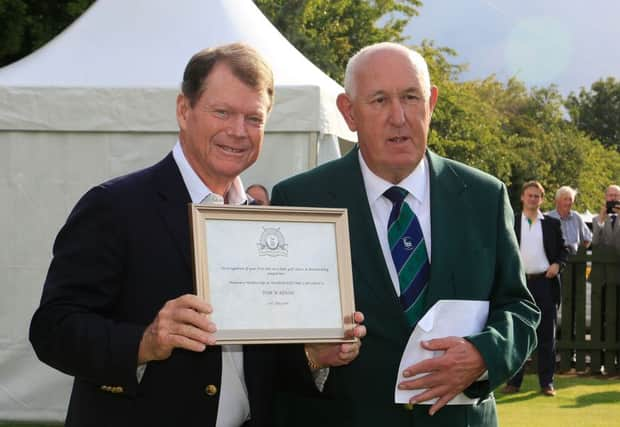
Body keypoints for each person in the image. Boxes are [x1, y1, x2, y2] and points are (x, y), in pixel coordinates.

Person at [29, 43, 364, 427]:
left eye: (254, 118)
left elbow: (253, 365)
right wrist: (145, 342)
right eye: (222, 112)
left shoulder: (261, 223)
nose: (238, 132)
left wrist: (313, 355)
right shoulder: (114, 206)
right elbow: (53, 329)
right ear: (184, 111)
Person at [271, 42, 539, 427]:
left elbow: (519, 307)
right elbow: (272, 338)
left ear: (430, 102)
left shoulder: (484, 196)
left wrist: (484, 356)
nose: (398, 117)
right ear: (348, 112)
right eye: (379, 100)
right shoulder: (299, 200)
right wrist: (311, 355)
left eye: (411, 97)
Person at [503, 181, 568, 397]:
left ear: (541, 199)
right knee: (517, 333)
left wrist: (557, 264)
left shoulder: (551, 224)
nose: (533, 199)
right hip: (518, 283)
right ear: (522, 197)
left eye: (537, 196)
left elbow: (563, 251)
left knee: (546, 336)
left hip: (544, 283)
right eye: (529, 195)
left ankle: (547, 383)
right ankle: (513, 382)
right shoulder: (511, 222)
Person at [546, 186, 592, 255]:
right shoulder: (548, 218)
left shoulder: (576, 217)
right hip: (555, 260)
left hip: (575, 260)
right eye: (565, 199)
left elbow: (588, 238)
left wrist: (582, 253)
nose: (568, 202)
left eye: (570, 199)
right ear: (557, 201)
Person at [592, 184, 620, 251]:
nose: (613, 198)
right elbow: (594, 243)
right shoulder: (596, 219)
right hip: (603, 259)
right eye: (610, 195)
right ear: (606, 197)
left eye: (616, 195)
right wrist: (600, 220)